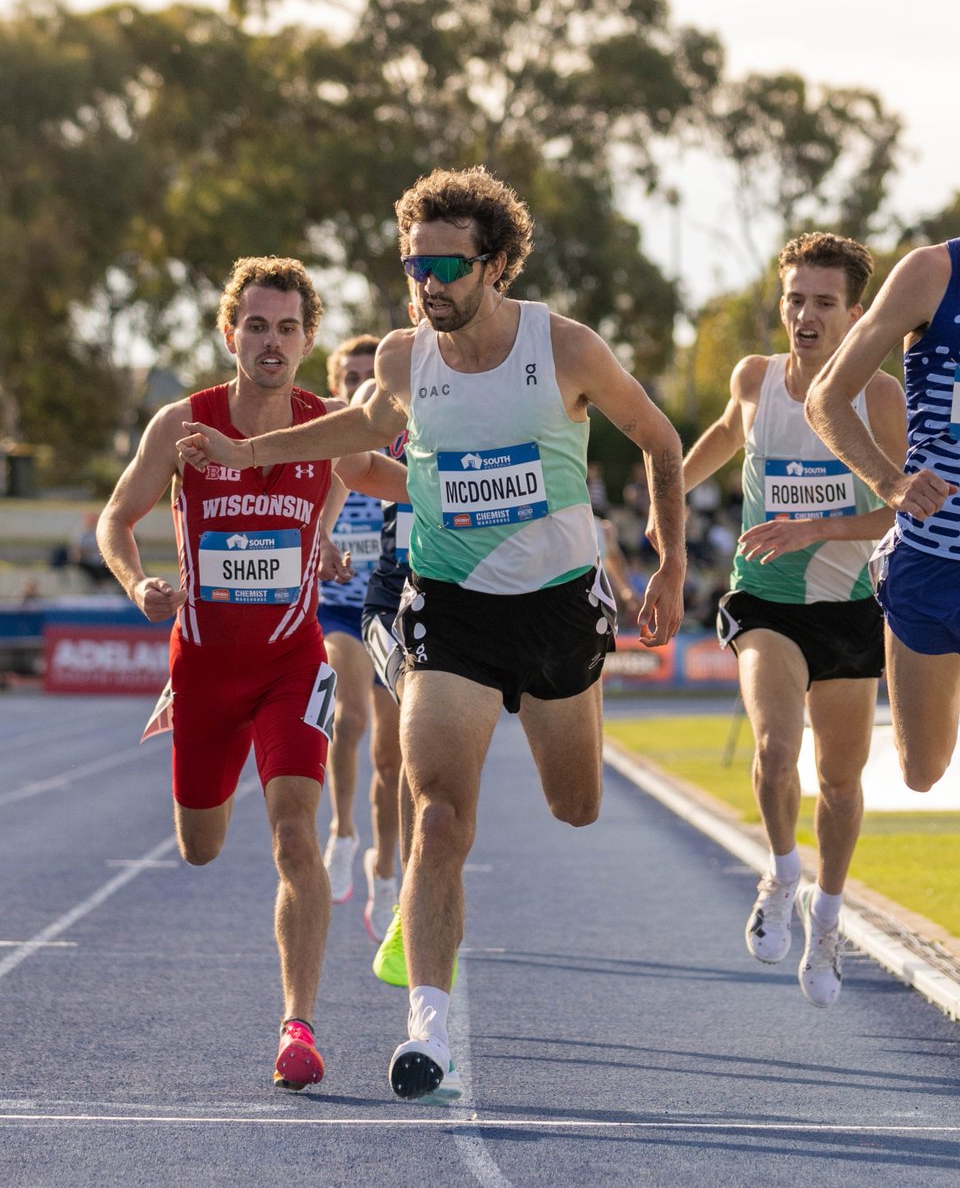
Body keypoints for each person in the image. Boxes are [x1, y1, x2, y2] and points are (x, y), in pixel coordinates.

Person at [177, 167, 686, 1102]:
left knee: (577, 805)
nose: (427, 282)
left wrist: (672, 563)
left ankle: (574, 702)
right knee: (440, 816)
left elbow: (658, 438)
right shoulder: (407, 358)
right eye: (414, 265)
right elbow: (361, 425)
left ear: (495, 264)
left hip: (558, 607)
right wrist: (248, 453)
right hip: (446, 609)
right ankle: (429, 1033)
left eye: (446, 264)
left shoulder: (563, 347)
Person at [96, 256, 407, 1091]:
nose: (273, 343)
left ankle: (296, 1027)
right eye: (258, 326)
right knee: (200, 848)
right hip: (201, 664)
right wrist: (138, 585)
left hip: (289, 662)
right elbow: (116, 519)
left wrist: (481, 502)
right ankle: (198, 732)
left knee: (292, 834)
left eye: (289, 328)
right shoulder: (180, 424)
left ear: (309, 339)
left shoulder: (330, 423)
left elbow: (393, 480)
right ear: (230, 333)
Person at [680, 232, 906, 1008]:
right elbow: (722, 434)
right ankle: (780, 873)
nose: (804, 316)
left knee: (840, 784)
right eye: (794, 299)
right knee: (778, 752)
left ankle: (829, 916)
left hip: (846, 611)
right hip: (764, 600)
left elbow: (895, 511)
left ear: (855, 312)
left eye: (823, 302)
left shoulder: (878, 396)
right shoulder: (755, 379)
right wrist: (668, 489)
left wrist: (813, 529)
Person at [806, 236, 960, 798]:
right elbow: (826, 399)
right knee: (923, 770)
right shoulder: (931, 273)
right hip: (930, 562)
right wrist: (890, 483)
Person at [317, 334, 402, 941]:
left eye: (366, 375)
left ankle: (386, 868)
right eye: (348, 376)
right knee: (347, 720)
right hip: (338, 612)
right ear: (335, 383)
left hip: (394, 610)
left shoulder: (398, 436)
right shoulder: (323, 437)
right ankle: (343, 832)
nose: (356, 383)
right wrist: (321, 538)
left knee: (393, 757)